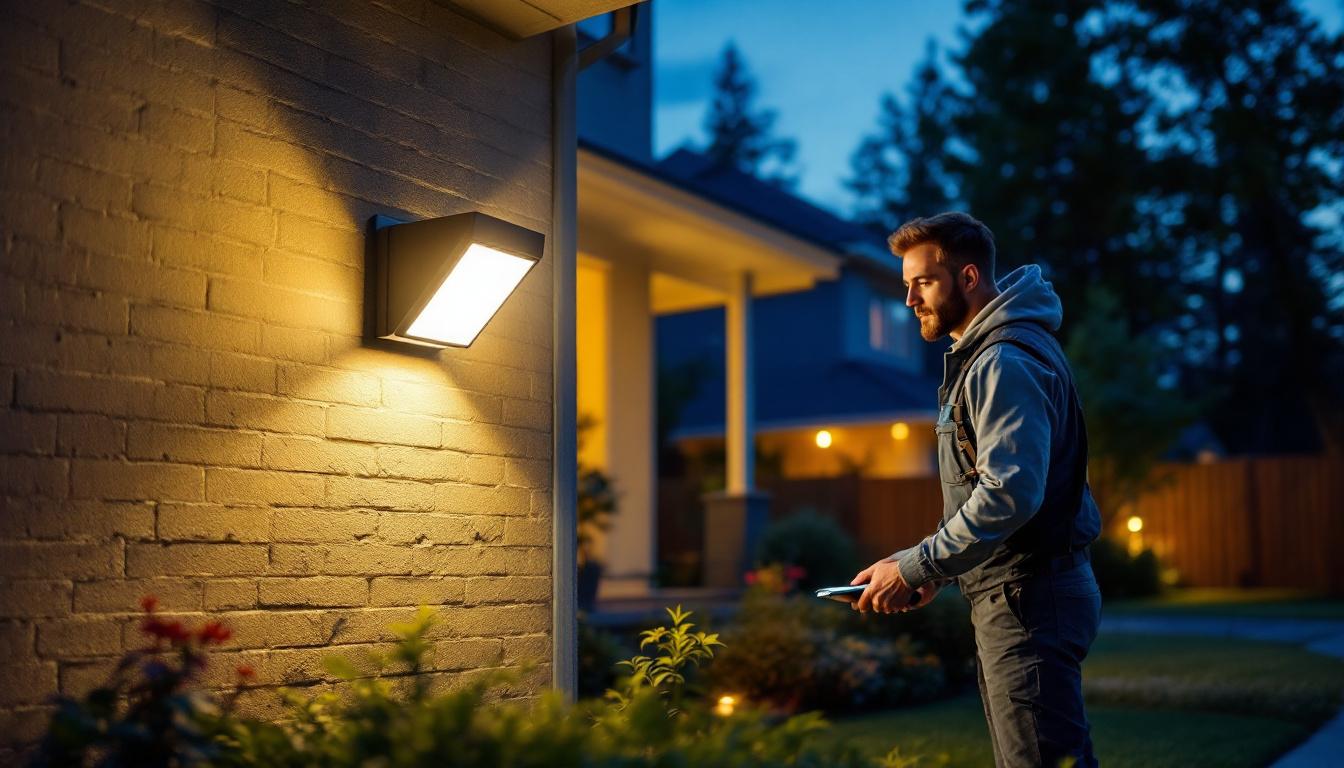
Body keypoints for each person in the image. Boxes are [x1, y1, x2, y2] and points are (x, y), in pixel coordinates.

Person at [850, 212, 1103, 768]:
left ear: (968, 278)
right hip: (1022, 591)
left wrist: (921, 566)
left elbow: (1009, 493)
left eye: (923, 282)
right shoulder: (1001, 352)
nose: (910, 299)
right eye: (906, 285)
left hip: (1028, 597)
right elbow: (985, 487)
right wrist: (926, 564)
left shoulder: (1002, 361)